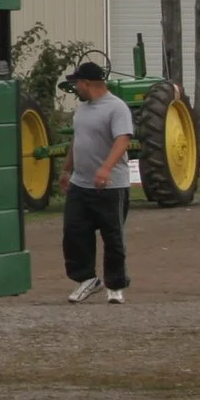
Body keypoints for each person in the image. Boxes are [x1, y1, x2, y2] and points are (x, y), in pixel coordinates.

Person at [62, 60, 132, 304]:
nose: (75, 89)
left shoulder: (116, 108)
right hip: (81, 184)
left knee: (113, 237)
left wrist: (106, 168)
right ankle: (87, 280)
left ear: (87, 83)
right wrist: (66, 169)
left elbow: (122, 140)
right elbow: (77, 141)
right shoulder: (81, 110)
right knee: (74, 232)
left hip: (111, 186)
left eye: (77, 84)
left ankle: (115, 285)